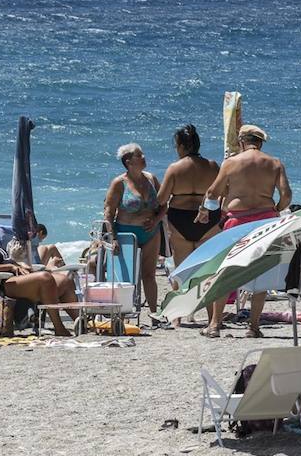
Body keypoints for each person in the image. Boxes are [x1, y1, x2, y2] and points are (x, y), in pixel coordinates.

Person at [197, 125, 291, 337]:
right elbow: (286, 195)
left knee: (226, 271)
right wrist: (273, 209)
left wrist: (205, 209)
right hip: (266, 220)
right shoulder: (275, 163)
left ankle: (214, 325)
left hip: (237, 221)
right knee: (261, 271)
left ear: (241, 141)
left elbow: (213, 192)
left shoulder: (231, 163)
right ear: (260, 143)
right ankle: (253, 327)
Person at [156, 125, 222, 329]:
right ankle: (212, 318)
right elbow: (221, 193)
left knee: (181, 270)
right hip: (208, 220)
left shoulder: (175, 168)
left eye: (177, 146)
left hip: (180, 220)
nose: (176, 149)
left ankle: (177, 318)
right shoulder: (212, 166)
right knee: (209, 271)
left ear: (183, 146)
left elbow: (161, 199)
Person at [104, 143, 164, 316]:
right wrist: (112, 238)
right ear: (128, 161)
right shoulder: (119, 183)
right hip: (126, 233)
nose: (144, 156)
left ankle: (154, 313)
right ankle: (122, 312)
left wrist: (156, 219)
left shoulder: (151, 179)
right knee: (125, 276)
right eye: (139, 155)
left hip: (151, 232)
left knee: (149, 274)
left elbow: (164, 204)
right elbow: (109, 212)